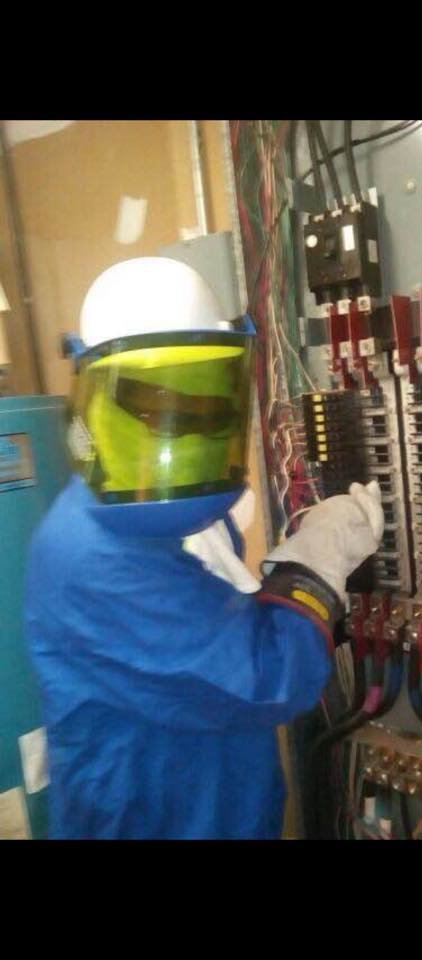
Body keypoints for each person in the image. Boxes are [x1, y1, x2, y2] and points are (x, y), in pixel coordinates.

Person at [24, 257, 384, 840]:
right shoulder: (94, 556)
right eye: (157, 407)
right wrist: (315, 564)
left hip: (216, 803)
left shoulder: (167, 517)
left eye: (201, 399)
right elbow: (264, 678)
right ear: (96, 404)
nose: (185, 429)